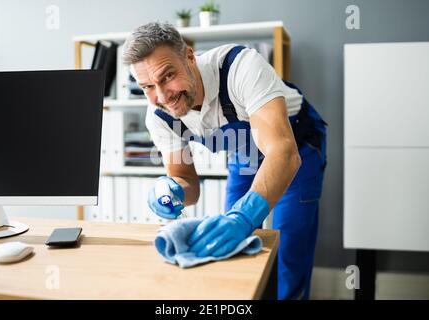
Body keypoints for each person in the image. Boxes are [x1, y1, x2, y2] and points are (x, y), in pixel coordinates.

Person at [122, 22, 327, 300]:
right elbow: (188, 183)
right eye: (147, 86)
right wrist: (174, 191)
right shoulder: (159, 116)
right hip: (243, 157)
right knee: (233, 247)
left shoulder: (240, 68)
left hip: (297, 147)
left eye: (168, 76)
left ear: (189, 57)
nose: (162, 96)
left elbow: (283, 153)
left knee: (289, 244)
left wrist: (245, 216)